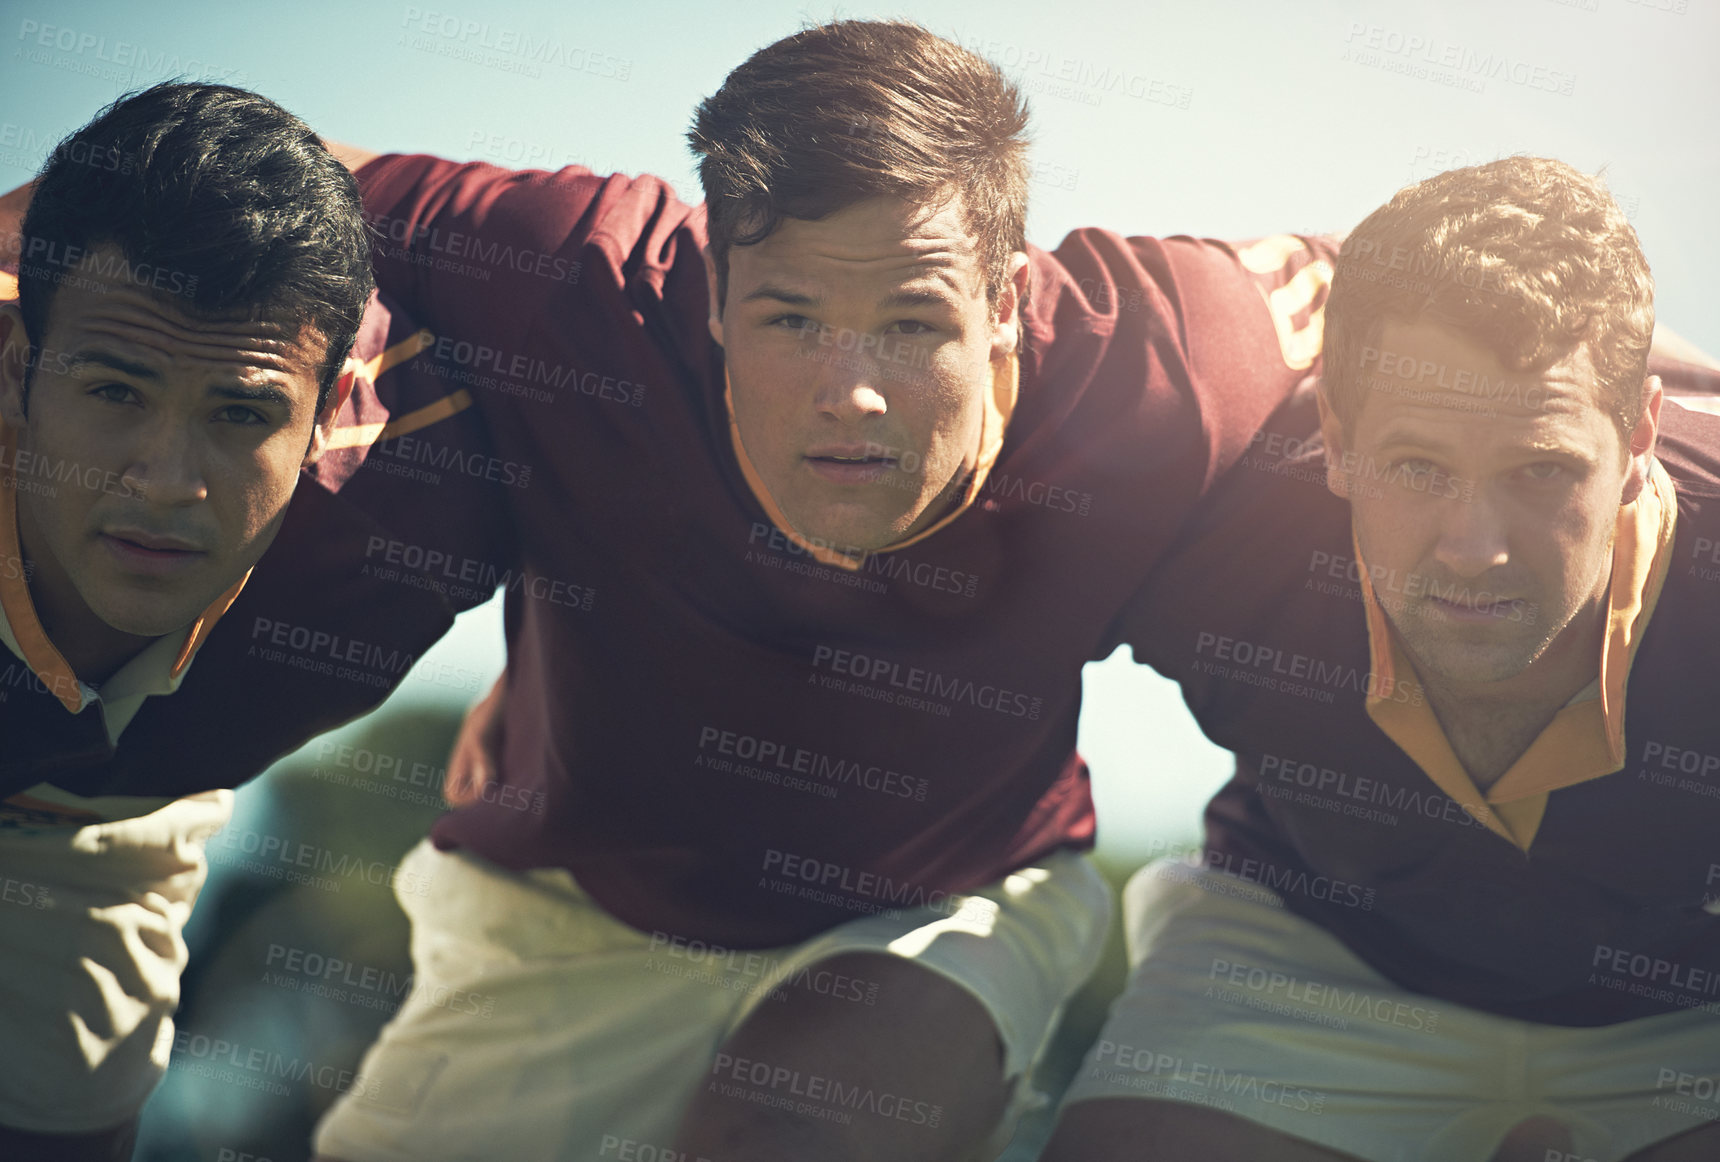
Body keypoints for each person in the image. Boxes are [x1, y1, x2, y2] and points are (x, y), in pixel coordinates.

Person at [263, 18, 1347, 1162]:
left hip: (944, 899)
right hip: (578, 899)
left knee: (791, 1134)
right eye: (792, 319)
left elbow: (1429, 271)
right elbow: (192, 181)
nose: (854, 393)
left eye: (913, 321)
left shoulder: (1170, 351)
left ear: (1001, 298)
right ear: (715, 290)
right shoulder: (578, 273)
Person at [1041, 157, 1720, 1162]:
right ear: (1336, 437)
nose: (1474, 547)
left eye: (1541, 469)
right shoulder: (1201, 512)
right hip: (1314, 953)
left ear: (1637, 436)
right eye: (1417, 467)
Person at [0, 83, 457, 1162]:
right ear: (21, 367)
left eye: (240, 413)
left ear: (332, 413)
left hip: (93, 813)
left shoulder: (429, 508)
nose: (165, 482)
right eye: (116, 393)